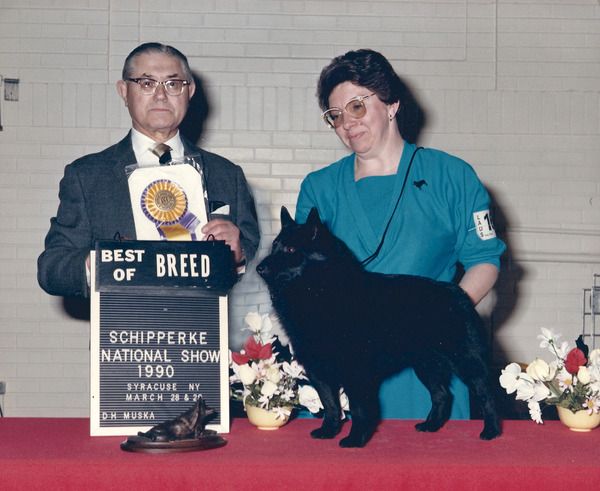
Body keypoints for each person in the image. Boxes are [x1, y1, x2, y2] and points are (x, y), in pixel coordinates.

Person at [295, 49, 506, 419]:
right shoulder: (318, 188)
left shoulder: (452, 176)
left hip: (431, 350)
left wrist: (437, 321)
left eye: (357, 107)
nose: (347, 123)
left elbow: (484, 260)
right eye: (335, 115)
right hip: (350, 357)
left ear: (391, 104)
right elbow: (302, 278)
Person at [38, 42, 259, 297]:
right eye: (146, 83)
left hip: (201, 327)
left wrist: (238, 255)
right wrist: (100, 263)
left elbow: (256, 263)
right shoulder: (86, 176)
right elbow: (51, 268)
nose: (161, 95)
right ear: (124, 90)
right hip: (121, 328)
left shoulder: (227, 175)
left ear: (190, 91)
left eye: (173, 84)